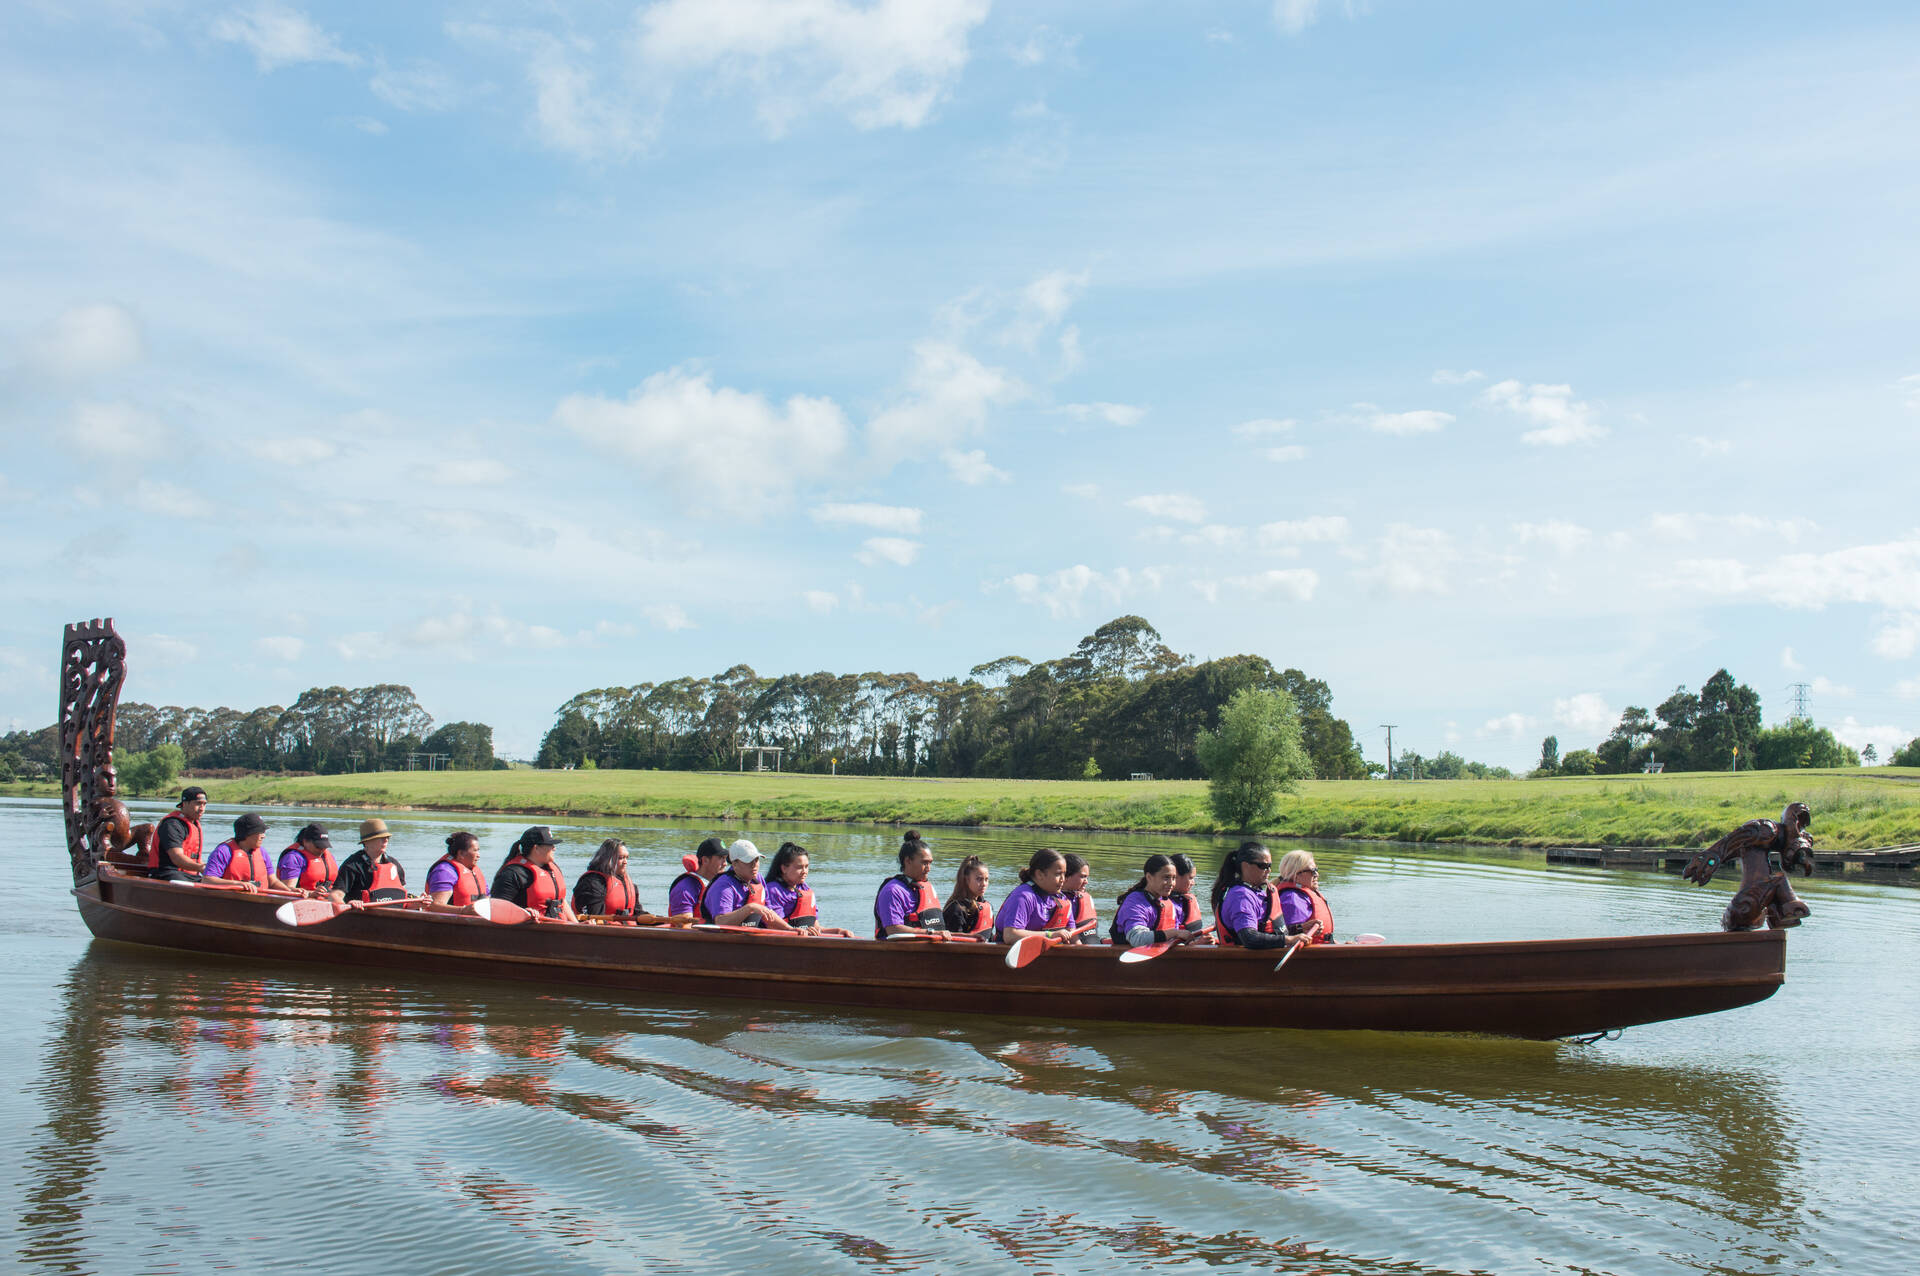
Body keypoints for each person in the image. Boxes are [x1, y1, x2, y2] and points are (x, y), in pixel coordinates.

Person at [1209, 840, 1292, 950]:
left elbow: (1270, 928)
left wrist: (1299, 929)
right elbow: (1249, 938)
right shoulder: (1241, 897)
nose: (1269, 870)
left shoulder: (1255, 891)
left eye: (1270, 865)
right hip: (1243, 959)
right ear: (1245, 866)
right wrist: (1288, 940)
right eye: (1263, 866)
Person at [1110, 853, 1202, 948]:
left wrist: (1193, 943)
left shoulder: (1167, 903)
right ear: (1149, 877)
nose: (1171, 883)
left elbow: (1175, 939)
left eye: (1174, 878)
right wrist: (1175, 933)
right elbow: (1137, 939)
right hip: (1126, 955)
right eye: (1166, 878)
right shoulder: (1135, 902)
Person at [873, 830, 948, 939]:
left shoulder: (928, 888)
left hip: (931, 946)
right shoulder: (893, 891)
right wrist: (930, 933)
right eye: (924, 863)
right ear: (908, 861)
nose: (928, 869)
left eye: (930, 863)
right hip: (900, 948)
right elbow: (893, 930)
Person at [492, 826, 575, 922]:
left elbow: (562, 902)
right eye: (550, 845)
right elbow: (497, 909)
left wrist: (577, 925)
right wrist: (523, 912)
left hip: (557, 926)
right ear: (536, 848)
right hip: (529, 928)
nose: (554, 848)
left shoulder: (552, 868)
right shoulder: (513, 873)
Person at [996, 848, 1071, 944]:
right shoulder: (1023, 896)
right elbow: (1010, 935)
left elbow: (1071, 931)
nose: (1063, 879)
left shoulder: (1060, 898)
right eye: (1058, 874)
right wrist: (1050, 935)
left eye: (1064, 874)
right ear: (1039, 874)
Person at [700, 839, 780, 927]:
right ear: (734, 864)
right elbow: (721, 922)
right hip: (723, 935)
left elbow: (769, 913)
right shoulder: (723, 886)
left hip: (750, 933)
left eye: (756, 860)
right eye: (748, 861)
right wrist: (750, 908)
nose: (754, 865)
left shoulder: (758, 879)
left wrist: (789, 929)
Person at [331, 819, 409, 905]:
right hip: (361, 912)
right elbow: (334, 896)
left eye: (387, 837)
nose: (386, 840)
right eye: (381, 838)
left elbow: (403, 895)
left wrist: (417, 903)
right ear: (366, 842)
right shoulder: (352, 865)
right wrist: (349, 904)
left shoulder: (394, 864)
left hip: (392, 910)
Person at [141, 786, 208, 880]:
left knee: (214, 881)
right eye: (198, 803)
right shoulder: (172, 824)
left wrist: (211, 870)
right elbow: (177, 857)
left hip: (189, 875)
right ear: (185, 803)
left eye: (204, 804)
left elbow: (196, 859)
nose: (202, 808)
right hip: (166, 873)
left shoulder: (194, 825)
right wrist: (201, 868)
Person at [1275, 850, 1335, 945]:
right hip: (1307, 952)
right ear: (1296, 875)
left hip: (1322, 947)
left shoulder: (1302, 896)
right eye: (1312, 871)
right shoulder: (1292, 898)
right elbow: (1288, 936)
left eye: (1316, 870)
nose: (1317, 874)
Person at [201, 813, 274, 890]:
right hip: (231, 896)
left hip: (260, 896)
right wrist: (238, 884)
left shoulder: (262, 852)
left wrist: (284, 890)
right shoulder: (223, 851)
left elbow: (273, 882)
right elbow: (207, 880)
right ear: (248, 833)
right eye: (260, 832)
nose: (263, 836)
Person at [764, 842, 824, 934]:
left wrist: (838, 931)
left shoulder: (805, 889)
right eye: (799, 867)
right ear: (784, 868)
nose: (804, 871)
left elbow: (816, 927)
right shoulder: (773, 890)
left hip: (802, 936)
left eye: (806, 867)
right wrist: (798, 931)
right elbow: (772, 925)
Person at [572, 839, 641, 919]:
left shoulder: (628, 884)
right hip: (605, 925)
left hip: (627, 924)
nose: (625, 862)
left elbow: (637, 912)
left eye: (627, 858)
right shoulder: (592, 883)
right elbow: (595, 916)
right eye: (621, 858)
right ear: (607, 859)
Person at [667, 837, 728, 923]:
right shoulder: (685, 888)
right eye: (721, 858)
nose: (725, 864)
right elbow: (683, 927)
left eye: (726, 858)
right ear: (705, 860)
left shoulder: (722, 885)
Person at [424, 831, 489, 910]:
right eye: (475, 850)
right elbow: (434, 906)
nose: (478, 855)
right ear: (461, 853)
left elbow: (488, 897)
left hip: (477, 916)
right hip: (452, 917)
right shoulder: (444, 871)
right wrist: (463, 911)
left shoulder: (474, 871)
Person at [274, 823, 337, 896]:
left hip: (326, 898)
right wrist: (311, 894)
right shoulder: (293, 858)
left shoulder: (326, 856)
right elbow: (287, 890)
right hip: (300, 900)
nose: (322, 850)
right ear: (305, 842)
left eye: (324, 846)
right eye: (318, 846)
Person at [942, 854, 994, 937]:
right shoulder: (956, 910)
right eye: (979, 879)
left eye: (986, 879)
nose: (984, 884)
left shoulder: (987, 907)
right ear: (966, 880)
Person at [1052, 853, 1099, 943]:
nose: (1086, 881)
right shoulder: (1052, 901)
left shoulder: (1083, 898)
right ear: (1066, 876)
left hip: (1091, 945)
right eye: (1082, 876)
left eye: (1086, 877)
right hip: (1075, 947)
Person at [1168, 852, 1212, 943]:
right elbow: (1166, 941)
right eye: (1191, 878)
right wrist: (1196, 944)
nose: (1193, 883)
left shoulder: (1185, 900)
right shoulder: (1165, 904)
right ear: (1176, 876)